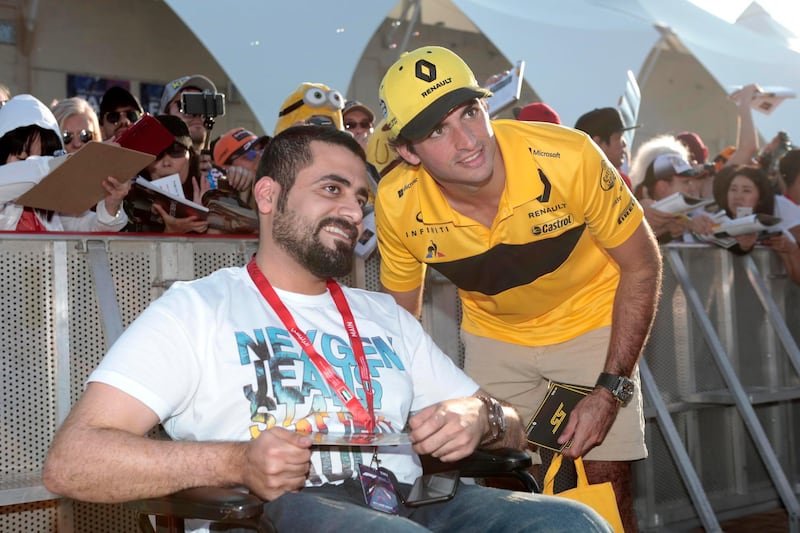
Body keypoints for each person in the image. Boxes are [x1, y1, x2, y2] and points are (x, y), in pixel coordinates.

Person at [42, 125, 612, 533]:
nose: (353, 211)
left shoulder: (385, 315)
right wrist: (235, 462)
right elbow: (73, 462)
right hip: (275, 512)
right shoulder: (195, 310)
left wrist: (479, 417)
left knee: (572, 522)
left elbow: (512, 431)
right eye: (331, 189)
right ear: (269, 196)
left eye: (361, 197)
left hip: (418, 505)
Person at [374, 45, 662, 532]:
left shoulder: (568, 154)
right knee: (504, 495)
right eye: (437, 130)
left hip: (591, 320)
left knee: (604, 492)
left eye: (469, 112)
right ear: (407, 151)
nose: (467, 140)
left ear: (487, 107)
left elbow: (642, 265)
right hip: (495, 338)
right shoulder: (396, 202)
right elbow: (400, 322)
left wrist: (610, 390)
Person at [0, 94, 129, 232]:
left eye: (44, 156)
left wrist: (111, 204)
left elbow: (95, 230)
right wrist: (68, 163)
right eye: (22, 158)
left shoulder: (52, 207)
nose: (32, 164)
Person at [712, 164, 800, 283]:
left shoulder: (774, 231)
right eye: (733, 189)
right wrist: (743, 245)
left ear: (760, 198)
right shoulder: (713, 222)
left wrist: (792, 251)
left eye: (746, 191)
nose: (738, 196)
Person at [125, 114, 209, 234]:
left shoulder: (212, 197)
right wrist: (171, 234)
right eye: (157, 154)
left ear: (190, 157)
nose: (166, 162)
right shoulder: (128, 201)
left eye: (176, 151)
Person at [574, 107, 638, 190]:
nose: (624, 143)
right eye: (618, 137)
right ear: (596, 143)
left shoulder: (563, 175)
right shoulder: (619, 184)